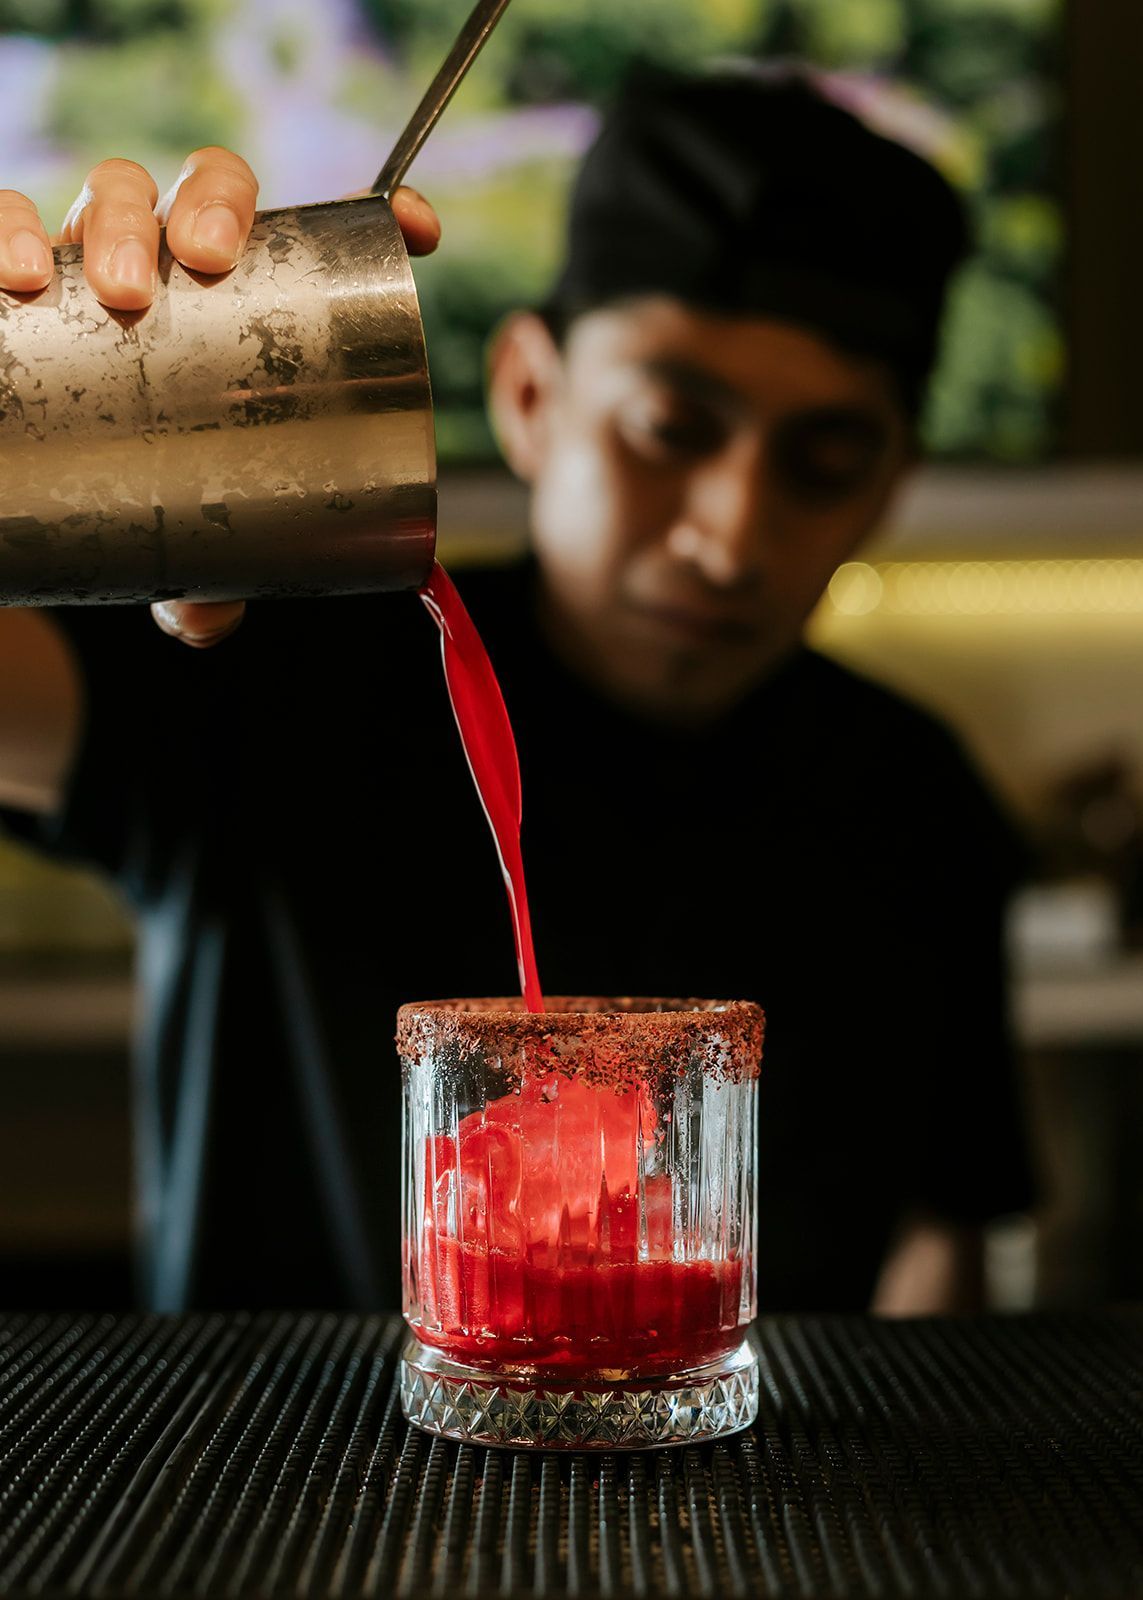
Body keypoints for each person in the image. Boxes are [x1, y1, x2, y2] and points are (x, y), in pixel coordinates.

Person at [0, 66, 1034, 1315]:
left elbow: (942, 1251)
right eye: (669, 426)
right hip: (272, 1491)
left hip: (743, 1498)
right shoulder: (254, 662)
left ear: (891, 481)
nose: (730, 533)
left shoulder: (915, 795)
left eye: (824, 458)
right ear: (531, 396)